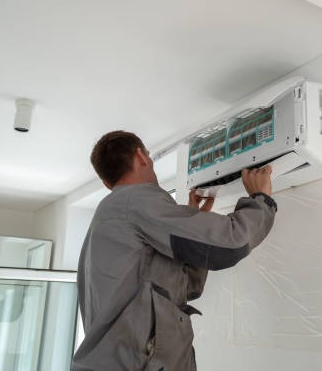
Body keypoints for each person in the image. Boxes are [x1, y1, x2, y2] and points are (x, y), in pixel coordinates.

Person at [72, 130, 277, 371]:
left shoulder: (109, 217)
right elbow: (231, 243)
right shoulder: (135, 201)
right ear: (141, 156)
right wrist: (261, 200)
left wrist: (193, 221)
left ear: (107, 184)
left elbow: (184, 288)